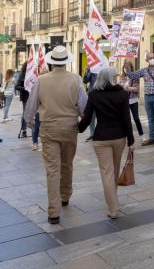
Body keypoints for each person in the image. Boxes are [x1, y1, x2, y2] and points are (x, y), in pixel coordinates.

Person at [23, 46, 87, 224]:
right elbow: (83, 105)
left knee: (52, 170)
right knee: (67, 164)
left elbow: (31, 105)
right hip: (69, 127)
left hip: (49, 128)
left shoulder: (42, 80)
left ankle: (53, 212)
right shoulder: (76, 79)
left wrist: (30, 122)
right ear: (67, 61)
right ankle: (65, 195)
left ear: (52, 61)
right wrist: (83, 122)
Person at [78, 67, 134, 219]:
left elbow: (87, 118)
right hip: (119, 137)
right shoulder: (122, 94)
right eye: (115, 75)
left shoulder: (94, 95)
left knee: (107, 173)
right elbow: (126, 119)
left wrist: (78, 129)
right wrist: (131, 140)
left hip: (101, 138)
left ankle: (113, 208)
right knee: (114, 171)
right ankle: (113, 202)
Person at [126, 52, 154, 147]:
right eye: (150, 58)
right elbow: (133, 75)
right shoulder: (144, 71)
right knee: (150, 119)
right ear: (147, 60)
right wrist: (127, 68)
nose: (152, 59)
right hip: (147, 97)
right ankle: (152, 138)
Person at [120, 61, 145, 139]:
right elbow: (120, 89)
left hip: (133, 100)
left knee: (136, 118)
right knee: (126, 119)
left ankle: (142, 135)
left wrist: (128, 88)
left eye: (128, 67)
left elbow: (137, 89)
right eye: (125, 67)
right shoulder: (122, 77)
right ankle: (128, 136)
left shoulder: (135, 77)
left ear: (131, 68)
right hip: (124, 101)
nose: (126, 69)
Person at [83, 67, 98, 142]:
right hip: (91, 96)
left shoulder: (102, 70)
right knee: (92, 116)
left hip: (100, 96)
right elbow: (85, 81)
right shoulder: (91, 71)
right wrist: (86, 72)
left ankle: (98, 133)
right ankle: (92, 134)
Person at [16, 61, 29, 138]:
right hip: (25, 97)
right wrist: (25, 88)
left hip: (33, 96)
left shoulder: (34, 74)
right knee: (25, 113)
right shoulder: (22, 75)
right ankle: (24, 130)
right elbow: (16, 86)